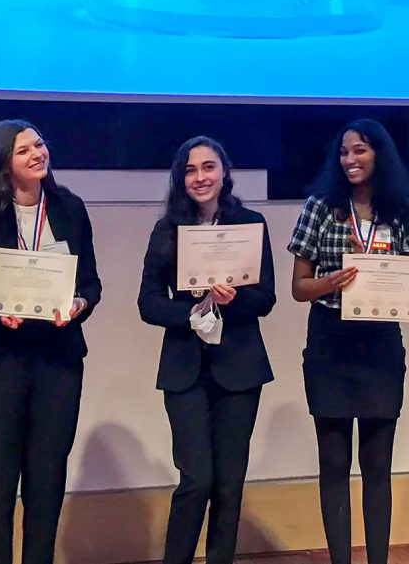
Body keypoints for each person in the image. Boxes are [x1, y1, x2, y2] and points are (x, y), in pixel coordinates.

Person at [0, 119, 102, 564]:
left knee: (45, 491)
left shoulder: (70, 208)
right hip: (1, 364)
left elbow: (91, 283)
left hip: (59, 363)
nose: (38, 153)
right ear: (3, 163)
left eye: (40, 144)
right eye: (24, 150)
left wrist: (79, 304)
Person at [287, 119, 409, 564]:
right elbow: (298, 287)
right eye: (345, 152)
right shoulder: (320, 207)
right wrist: (333, 282)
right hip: (331, 343)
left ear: (379, 155)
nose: (350, 159)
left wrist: (390, 280)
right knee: (333, 466)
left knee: (377, 468)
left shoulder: (401, 210)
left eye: (361, 151)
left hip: (381, 346)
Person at [138, 136, 276, 564]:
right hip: (184, 369)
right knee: (196, 478)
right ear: (181, 179)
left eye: (209, 167)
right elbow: (147, 303)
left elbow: (266, 298)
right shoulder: (167, 230)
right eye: (191, 170)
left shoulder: (250, 223)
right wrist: (190, 310)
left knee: (229, 483)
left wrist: (234, 299)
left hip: (239, 368)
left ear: (224, 172)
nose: (201, 177)